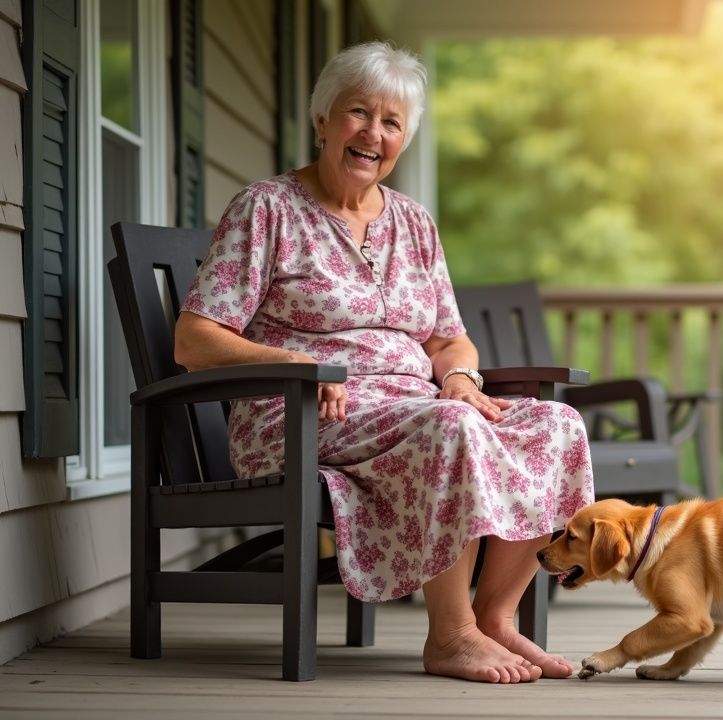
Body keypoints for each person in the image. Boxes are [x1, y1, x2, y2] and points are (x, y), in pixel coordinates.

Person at [174, 41, 594, 684]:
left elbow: (449, 337)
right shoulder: (268, 209)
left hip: (410, 409)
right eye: (358, 113)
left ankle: (493, 617)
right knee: (453, 429)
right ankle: (448, 636)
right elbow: (194, 339)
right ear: (322, 120)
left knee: (554, 426)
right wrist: (293, 360)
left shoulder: (414, 224)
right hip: (301, 410)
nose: (373, 133)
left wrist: (457, 377)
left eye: (391, 122)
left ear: (404, 139)